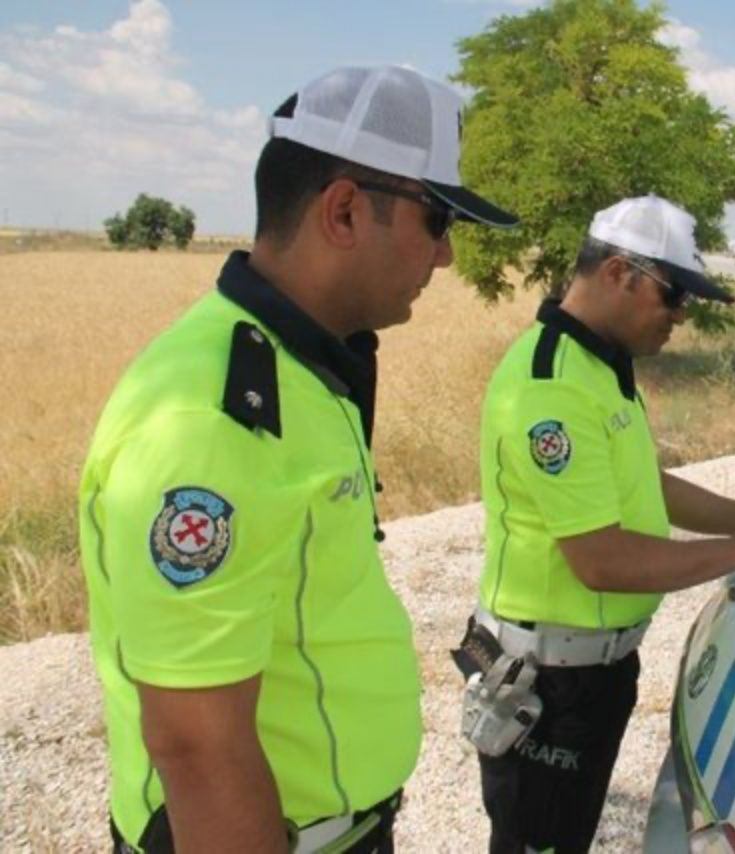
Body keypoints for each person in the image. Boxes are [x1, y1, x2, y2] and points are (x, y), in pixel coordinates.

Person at [78, 65, 518, 854]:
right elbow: (197, 743)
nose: (448, 257)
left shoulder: (301, 368)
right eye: (439, 220)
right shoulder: (209, 422)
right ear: (345, 209)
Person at [466, 195, 735, 853]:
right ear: (622, 273)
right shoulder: (551, 387)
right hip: (549, 684)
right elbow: (602, 560)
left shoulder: (601, 365)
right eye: (675, 295)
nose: (682, 315)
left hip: (592, 674)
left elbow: (644, 486)